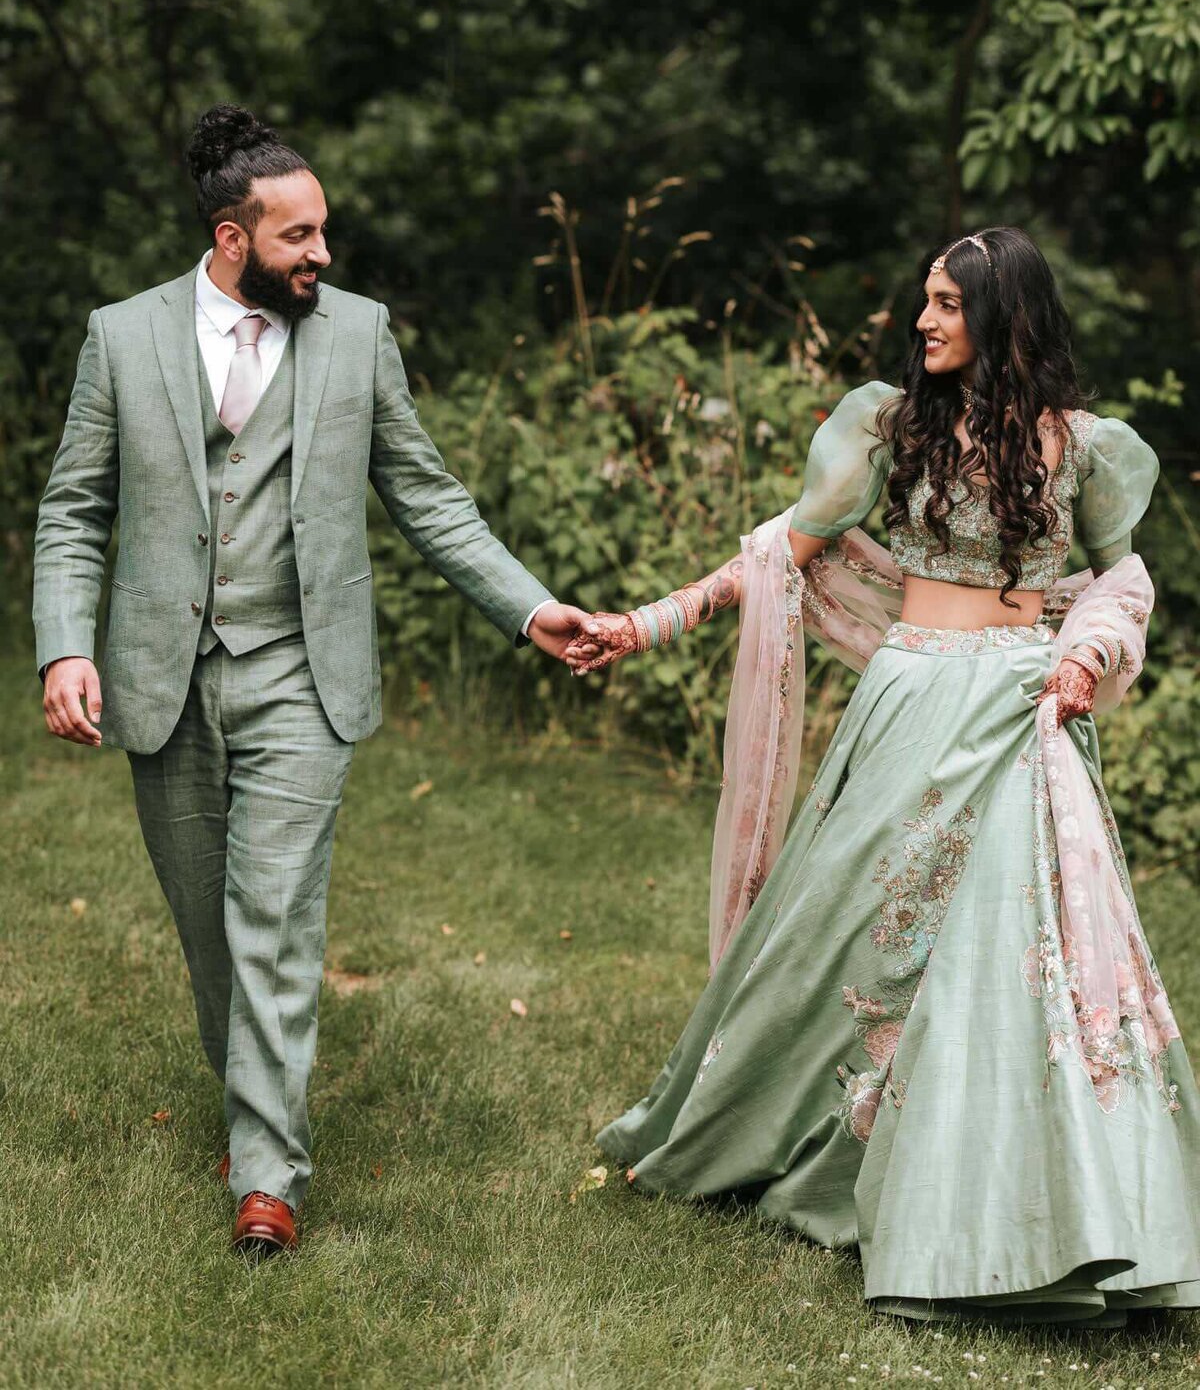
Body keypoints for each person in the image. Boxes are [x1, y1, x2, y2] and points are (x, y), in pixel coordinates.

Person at [568, 226, 1200, 1325]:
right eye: (925, 302)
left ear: (1002, 316)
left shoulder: (1092, 449)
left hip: (1026, 715)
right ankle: (796, 1138)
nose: (924, 321)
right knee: (841, 936)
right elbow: (781, 552)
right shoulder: (888, 426)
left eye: (949, 304)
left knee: (1027, 958)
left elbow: (1122, 579)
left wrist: (1087, 656)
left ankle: (1060, 1212)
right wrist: (643, 624)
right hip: (909, 702)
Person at [32, 104, 594, 1256]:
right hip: (162, 677)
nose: (322, 253)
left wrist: (531, 607)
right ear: (233, 237)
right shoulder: (122, 337)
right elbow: (75, 508)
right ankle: (255, 1108)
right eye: (300, 237)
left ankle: (266, 1177)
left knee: (275, 919)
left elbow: (429, 496)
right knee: (211, 937)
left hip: (301, 674)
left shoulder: (358, 336)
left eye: (323, 231)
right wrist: (63, 643)